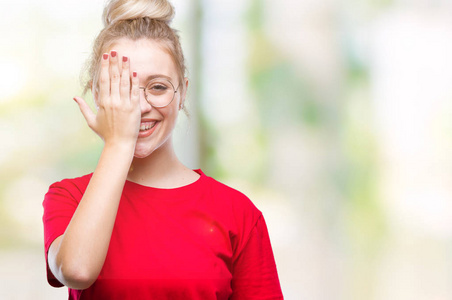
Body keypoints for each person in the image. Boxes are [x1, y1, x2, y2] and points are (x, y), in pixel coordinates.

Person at [42, 0, 283, 299]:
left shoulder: (238, 213)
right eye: (123, 89)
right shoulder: (68, 197)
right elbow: (76, 271)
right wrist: (118, 143)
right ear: (98, 94)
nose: (141, 107)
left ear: (182, 92)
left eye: (158, 87)